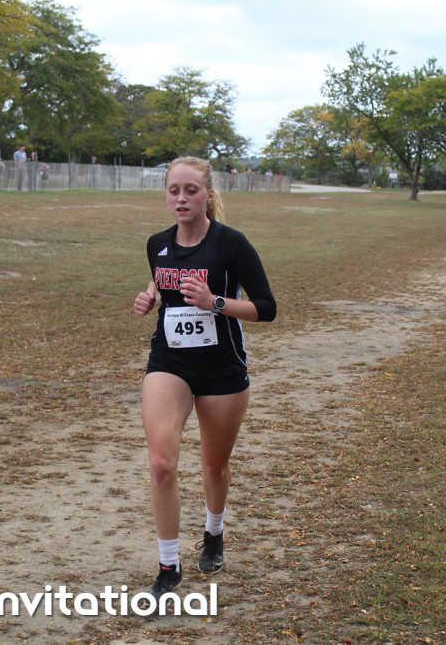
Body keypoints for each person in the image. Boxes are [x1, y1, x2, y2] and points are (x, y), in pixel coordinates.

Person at [132, 156, 276, 600]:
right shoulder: (157, 243)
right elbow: (162, 283)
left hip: (222, 368)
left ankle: (214, 533)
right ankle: (168, 565)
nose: (181, 198)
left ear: (208, 195)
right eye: (173, 190)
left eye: (190, 190)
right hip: (170, 362)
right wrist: (150, 297)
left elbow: (266, 307)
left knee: (214, 466)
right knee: (161, 463)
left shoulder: (231, 244)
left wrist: (214, 302)